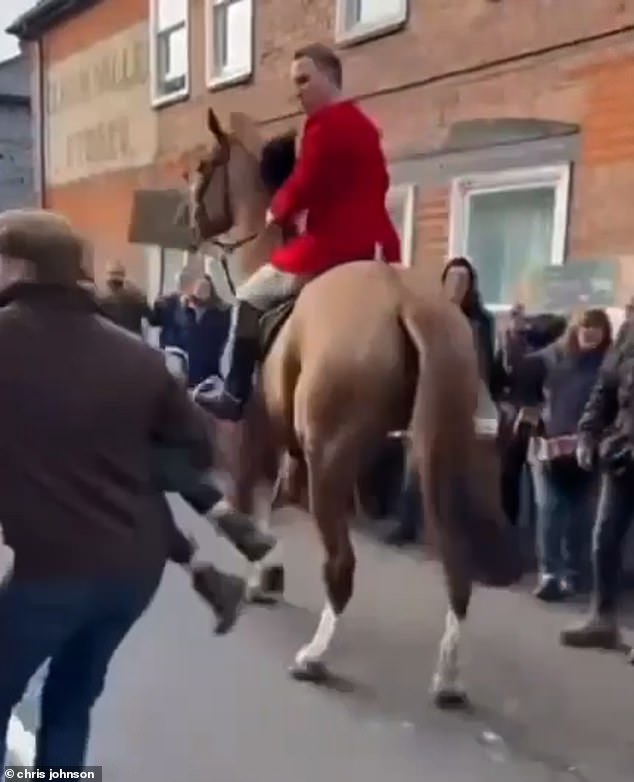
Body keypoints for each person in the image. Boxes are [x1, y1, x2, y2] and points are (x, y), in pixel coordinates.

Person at [0, 209, 258, 770]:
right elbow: (195, 450)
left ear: (19, 267)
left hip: (44, 570)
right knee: (72, 698)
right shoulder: (139, 357)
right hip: (129, 575)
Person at [203, 43, 401, 421]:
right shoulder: (366, 126)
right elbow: (378, 182)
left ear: (331, 76)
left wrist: (277, 211)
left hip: (328, 248)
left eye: (305, 80)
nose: (298, 91)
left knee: (246, 298)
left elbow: (306, 178)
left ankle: (233, 393)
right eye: (296, 83)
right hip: (374, 247)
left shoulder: (322, 125)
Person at [519, 308, 612, 601]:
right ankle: (549, 574)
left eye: (596, 329)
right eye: (585, 327)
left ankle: (572, 572)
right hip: (548, 447)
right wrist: (515, 334)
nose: (590, 333)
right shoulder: (554, 359)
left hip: (587, 451)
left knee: (580, 514)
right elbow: (522, 377)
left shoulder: (608, 368)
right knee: (549, 508)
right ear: (575, 329)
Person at [560, 318, 634, 651]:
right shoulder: (629, 333)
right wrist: (588, 433)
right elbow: (604, 387)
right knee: (604, 539)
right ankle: (603, 620)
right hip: (622, 453)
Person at [97, 260, 151, 336]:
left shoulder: (100, 299)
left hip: (110, 340)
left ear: (108, 281)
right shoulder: (136, 296)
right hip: (133, 341)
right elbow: (151, 318)